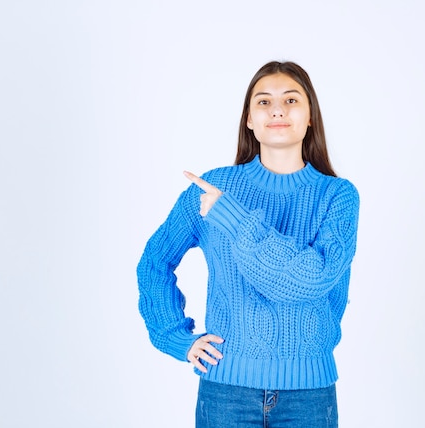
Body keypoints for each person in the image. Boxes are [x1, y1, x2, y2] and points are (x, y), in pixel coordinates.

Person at [137, 60, 360, 427]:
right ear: (249, 120)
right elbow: (155, 261)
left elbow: (311, 280)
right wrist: (175, 336)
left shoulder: (338, 196)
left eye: (291, 101)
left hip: (309, 395)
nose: (277, 109)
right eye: (263, 102)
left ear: (309, 118)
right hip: (227, 392)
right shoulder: (211, 188)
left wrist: (232, 216)